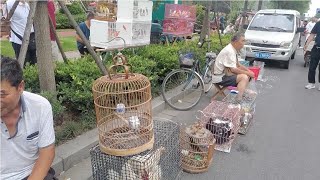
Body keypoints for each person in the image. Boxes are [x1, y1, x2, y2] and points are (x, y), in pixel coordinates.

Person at [0, 57, 56, 179]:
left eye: (2, 94)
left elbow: (47, 152)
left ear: (20, 87)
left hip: (30, 173)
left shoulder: (40, 106)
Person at [212, 33, 255, 102]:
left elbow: (238, 64)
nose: (244, 43)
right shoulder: (230, 51)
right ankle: (237, 100)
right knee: (244, 77)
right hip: (220, 77)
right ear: (235, 42)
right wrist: (248, 73)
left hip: (226, 74)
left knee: (247, 75)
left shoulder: (232, 49)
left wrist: (249, 71)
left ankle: (240, 94)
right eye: (242, 41)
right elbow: (233, 69)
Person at [6, 0, 37, 66]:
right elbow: (6, 21)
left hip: (31, 40)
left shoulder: (26, 4)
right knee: (22, 65)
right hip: (19, 40)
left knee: (34, 63)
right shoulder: (9, 4)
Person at [304, 20, 320, 90]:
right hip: (316, 48)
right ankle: (311, 83)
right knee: (312, 66)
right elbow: (312, 35)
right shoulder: (318, 24)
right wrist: (307, 44)